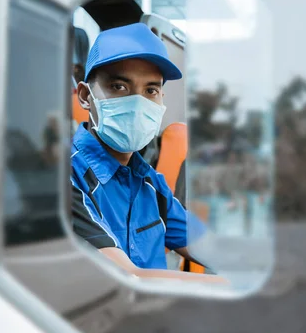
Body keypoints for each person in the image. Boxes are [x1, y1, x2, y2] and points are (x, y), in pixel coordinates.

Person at [71, 23, 226, 283]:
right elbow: (130, 279)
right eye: (119, 87)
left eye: (151, 91)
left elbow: (210, 247)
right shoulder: (67, 177)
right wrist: (243, 285)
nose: (138, 102)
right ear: (86, 96)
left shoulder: (150, 183)